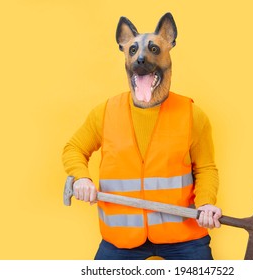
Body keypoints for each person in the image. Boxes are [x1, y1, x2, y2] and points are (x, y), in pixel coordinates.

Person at [62, 13, 221, 260]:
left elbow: (206, 167)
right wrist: (81, 179)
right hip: (121, 238)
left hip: (184, 235)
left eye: (154, 49)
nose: (141, 58)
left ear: (169, 49)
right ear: (125, 55)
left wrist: (207, 203)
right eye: (133, 50)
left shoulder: (192, 114)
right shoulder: (104, 113)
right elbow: (74, 148)